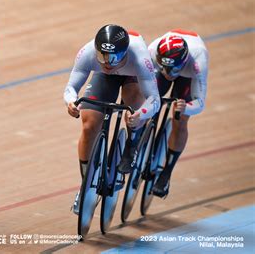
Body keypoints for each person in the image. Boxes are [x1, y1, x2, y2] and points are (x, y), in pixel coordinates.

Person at [64, 24, 160, 214]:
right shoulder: (87, 52)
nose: (107, 62)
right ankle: (86, 185)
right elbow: (71, 88)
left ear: (124, 53)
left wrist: (141, 114)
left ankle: (132, 145)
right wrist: (71, 102)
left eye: (113, 57)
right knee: (89, 125)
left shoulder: (140, 58)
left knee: (134, 102)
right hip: (106, 78)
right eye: (102, 56)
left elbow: (154, 100)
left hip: (132, 75)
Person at [148, 29, 208, 198]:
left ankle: (166, 173)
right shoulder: (152, 51)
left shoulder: (198, 62)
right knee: (148, 99)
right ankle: (136, 146)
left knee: (180, 118)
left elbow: (200, 102)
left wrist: (186, 107)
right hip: (170, 62)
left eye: (172, 71)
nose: (168, 74)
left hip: (187, 75)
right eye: (164, 68)